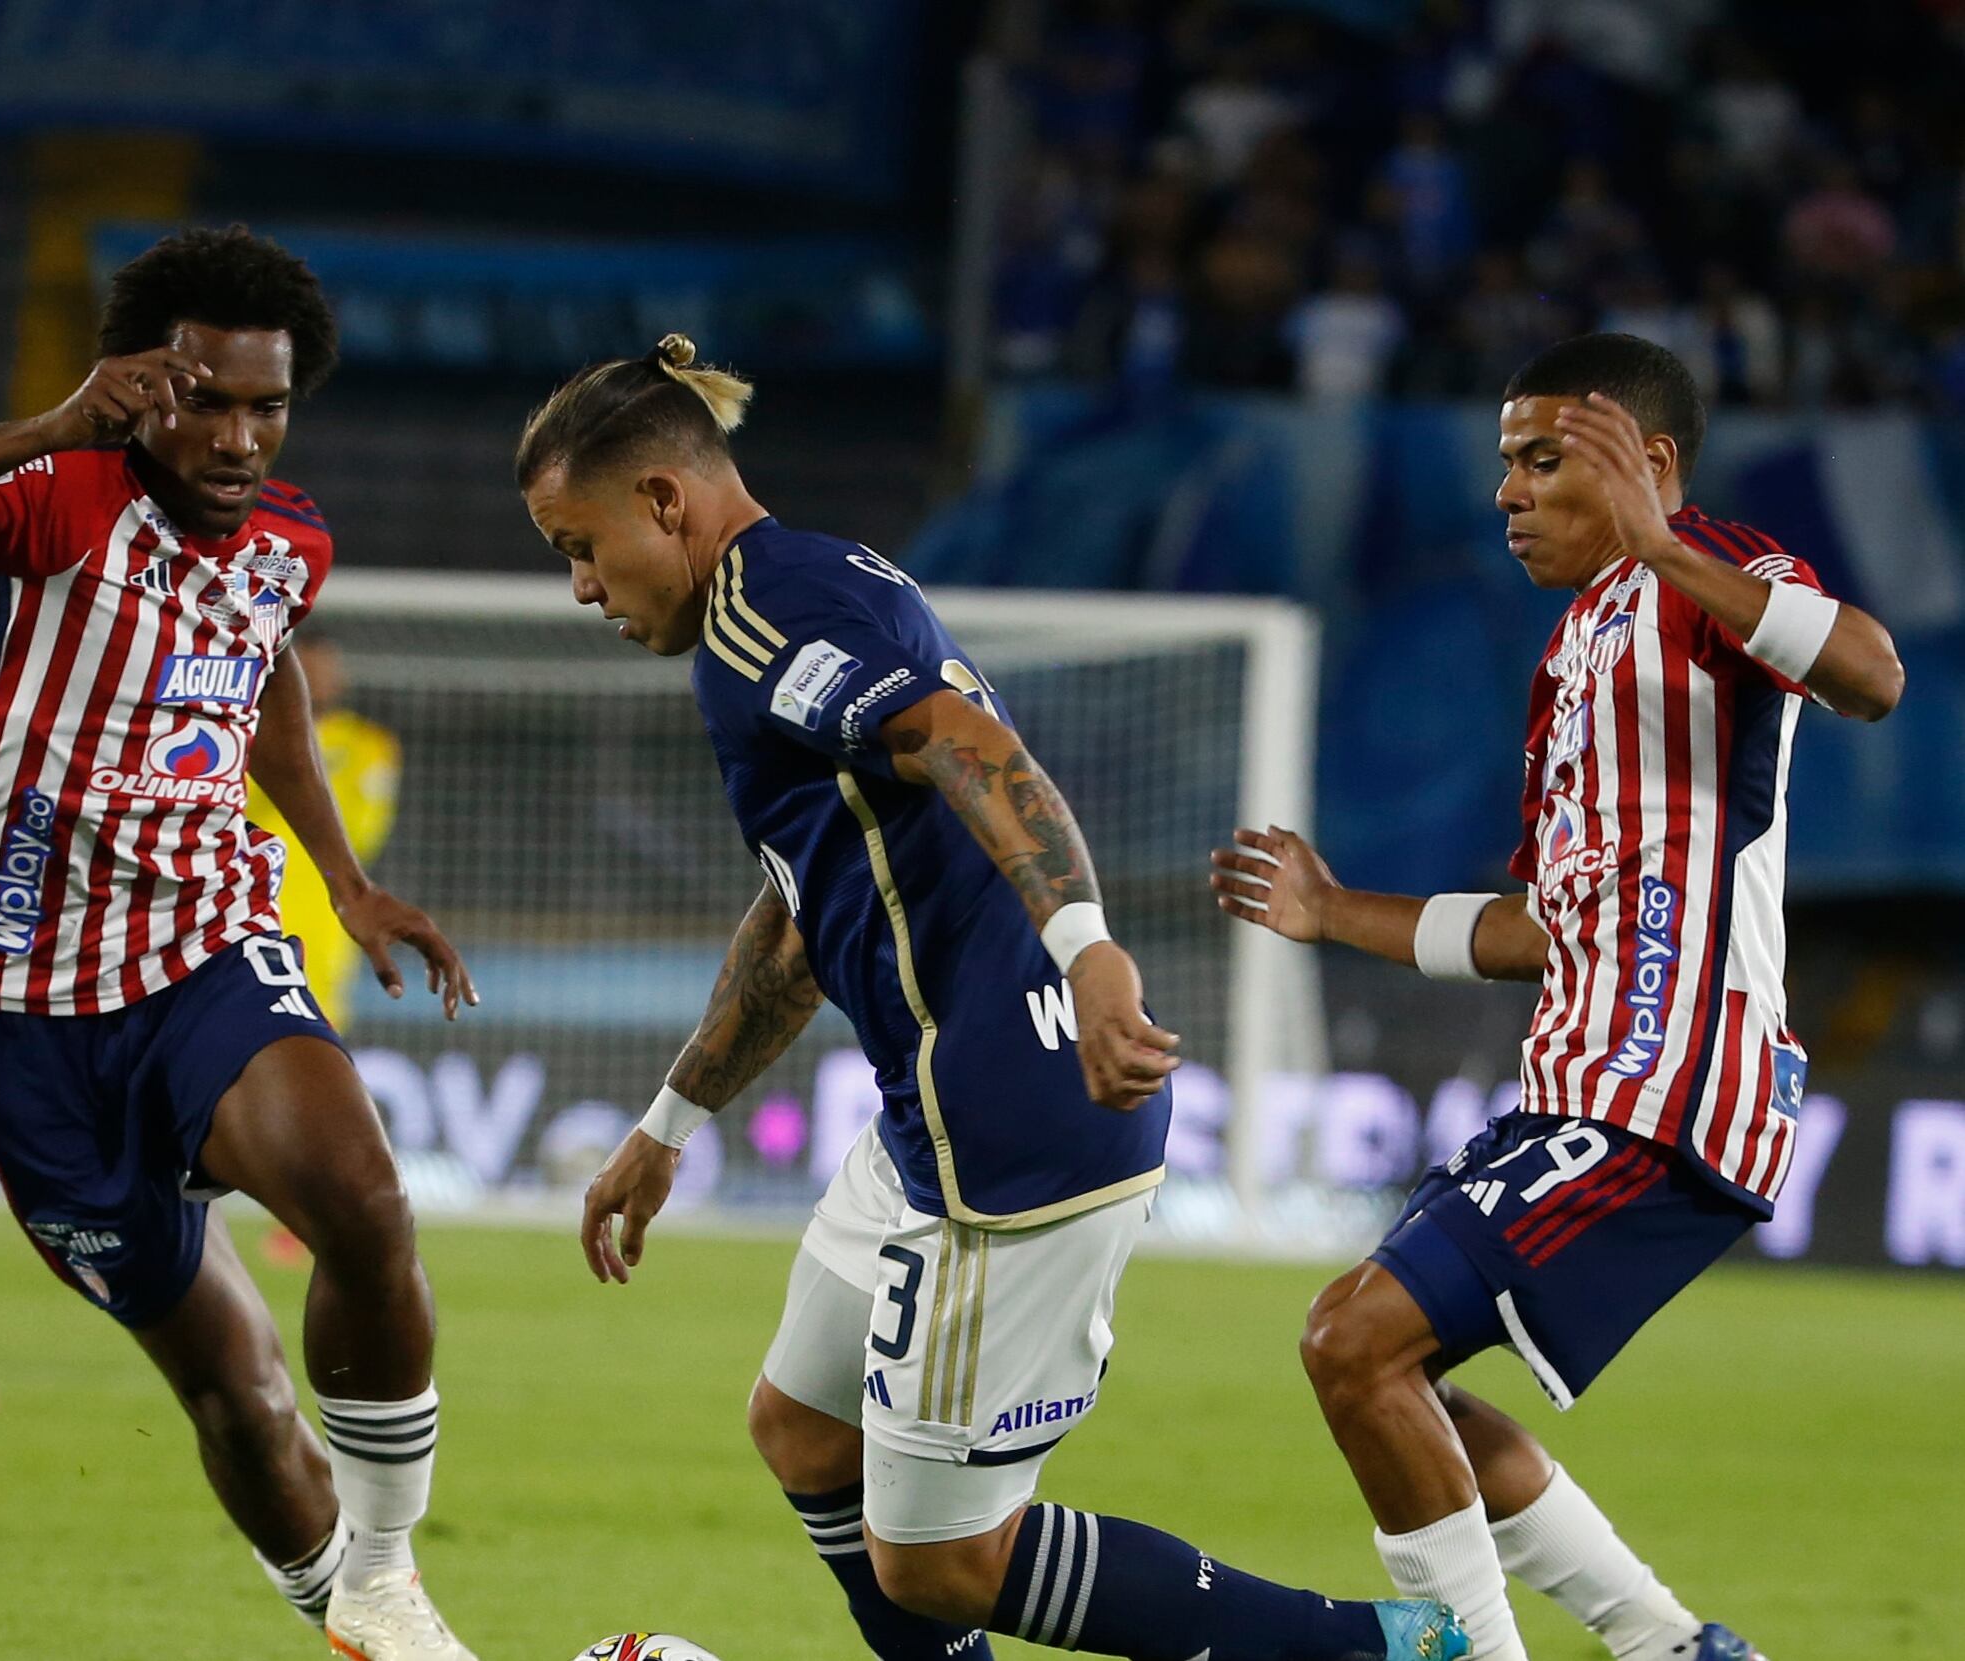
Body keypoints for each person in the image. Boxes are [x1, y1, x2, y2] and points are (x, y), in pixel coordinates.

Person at [520, 334, 1468, 1661]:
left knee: (941, 1561)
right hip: (931, 1107)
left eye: (579, 546)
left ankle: (1392, 1649)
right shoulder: (811, 582)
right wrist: (670, 1122)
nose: (579, 586)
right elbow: (804, 917)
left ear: (662, 500)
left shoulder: (763, 621)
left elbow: (967, 744)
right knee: (804, 1428)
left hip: (1010, 1121)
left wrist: (1088, 948)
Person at [0, 225, 482, 1661]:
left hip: (201, 944)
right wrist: (52, 421)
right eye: (205, 400)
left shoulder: (290, 540)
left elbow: (262, 673)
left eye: (266, 406)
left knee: (362, 1199)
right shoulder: (53, 500)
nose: (237, 438)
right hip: (18, 1002)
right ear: (140, 385)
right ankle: (359, 1626)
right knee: (236, 1390)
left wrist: (345, 880)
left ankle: (390, 1574)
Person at [1212, 333, 1905, 1661]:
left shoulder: (1717, 573)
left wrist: (1661, 543)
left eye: (1541, 459)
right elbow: (1541, 928)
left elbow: (1872, 674)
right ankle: (1670, 1644)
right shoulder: (1576, 653)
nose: (1506, 492)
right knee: (1393, 1379)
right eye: (1504, 463)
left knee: (1352, 1340)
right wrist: (1333, 911)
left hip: (1673, 1078)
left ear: (1646, 461)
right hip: (1578, 1083)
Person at [243, 630, 402, 1268]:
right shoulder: (247, 732)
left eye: (327, 667)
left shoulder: (369, 746)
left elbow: (364, 829)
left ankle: (307, 1213)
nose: (319, 678)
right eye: (307, 667)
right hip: (244, 913)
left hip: (323, 926)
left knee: (316, 1066)